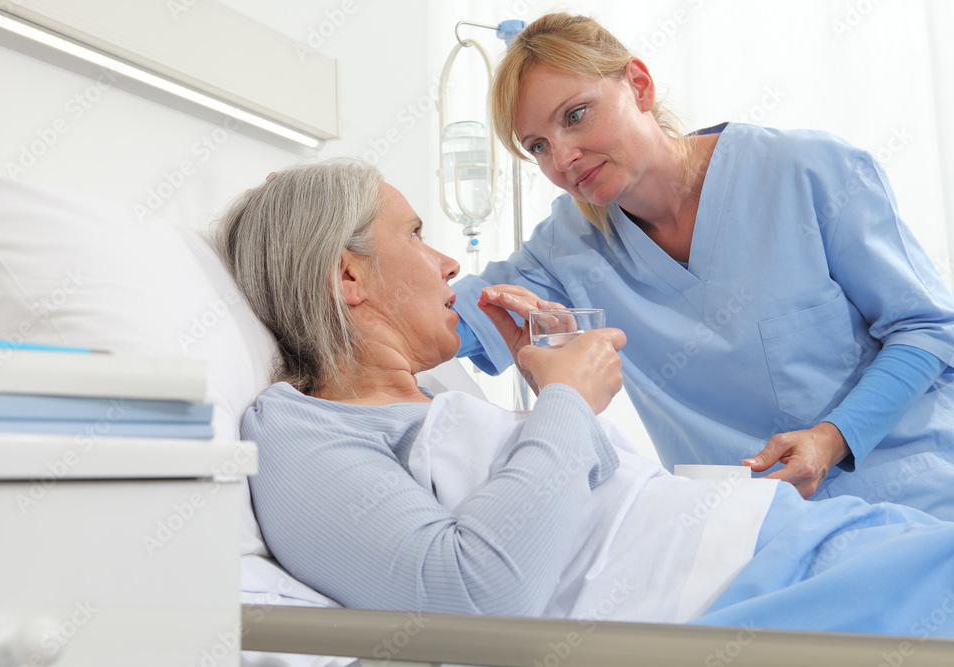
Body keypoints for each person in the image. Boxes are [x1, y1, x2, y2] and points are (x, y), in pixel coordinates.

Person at [214, 158, 954, 636]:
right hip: (737, 591)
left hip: (791, 537)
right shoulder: (298, 430)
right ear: (349, 277)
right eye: (415, 234)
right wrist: (563, 401)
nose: (447, 264)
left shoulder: (431, 397)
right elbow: (470, 602)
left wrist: (548, 378)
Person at [451, 12, 954, 520]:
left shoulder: (808, 173)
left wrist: (832, 438)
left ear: (639, 85)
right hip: (745, 532)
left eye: (576, 115)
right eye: (537, 146)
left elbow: (927, 328)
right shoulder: (569, 242)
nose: (562, 158)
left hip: (911, 499)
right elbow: (451, 318)